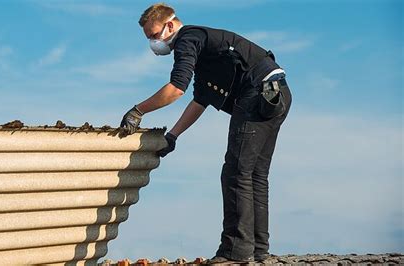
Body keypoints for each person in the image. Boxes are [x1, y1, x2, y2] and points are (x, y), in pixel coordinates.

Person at [120, 3, 292, 264]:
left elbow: (177, 88)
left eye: (154, 36)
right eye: (149, 39)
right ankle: (258, 249)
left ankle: (235, 251)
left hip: (258, 92)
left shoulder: (188, 38)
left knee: (235, 171)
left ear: (170, 25)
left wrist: (138, 110)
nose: (154, 43)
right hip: (276, 92)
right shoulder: (204, 52)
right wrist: (173, 136)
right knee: (254, 174)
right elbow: (199, 100)